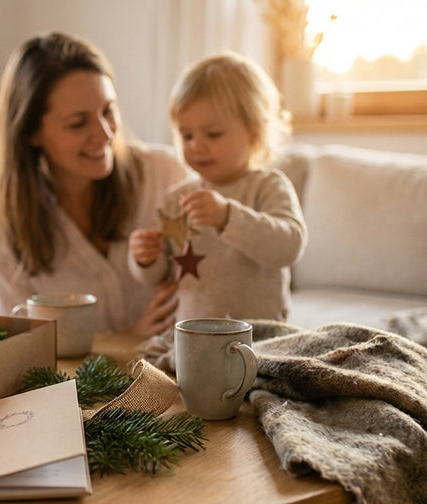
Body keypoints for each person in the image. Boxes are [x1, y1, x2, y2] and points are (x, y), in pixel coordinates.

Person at [0, 31, 190, 340]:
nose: (105, 133)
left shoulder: (164, 175)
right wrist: (125, 338)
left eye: (108, 110)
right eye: (78, 123)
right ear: (31, 133)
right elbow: (23, 347)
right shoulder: (1, 223)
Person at [128, 51, 306, 324]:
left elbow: (288, 247)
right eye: (186, 135)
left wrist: (228, 217)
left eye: (212, 134)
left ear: (254, 134)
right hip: (191, 337)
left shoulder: (268, 186)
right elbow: (162, 275)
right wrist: (145, 259)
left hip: (259, 338)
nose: (196, 145)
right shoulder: (176, 200)